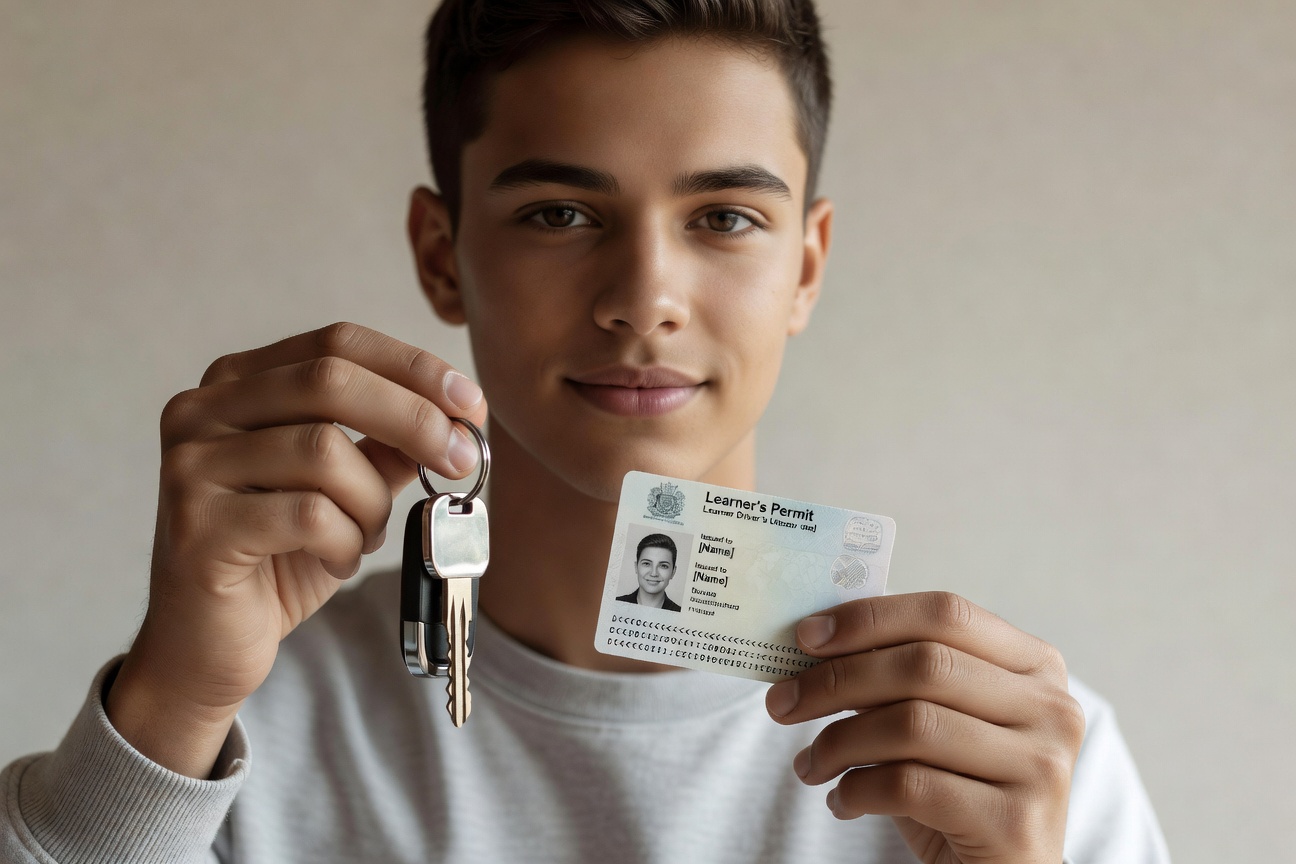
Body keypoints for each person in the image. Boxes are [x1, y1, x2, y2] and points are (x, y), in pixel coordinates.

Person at [1, 1, 1172, 862]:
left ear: (805, 266)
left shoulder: (1018, 764)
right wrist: (167, 715)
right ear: (440, 254)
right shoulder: (236, 727)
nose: (643, 296)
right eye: (560, 213)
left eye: (723, 216)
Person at [617, 533, 683, 611]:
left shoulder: (681, 615)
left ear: (673, 572)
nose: (654, 573)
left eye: (663, 566)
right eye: (646, 563)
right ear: (636, 567)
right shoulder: (616, 604)